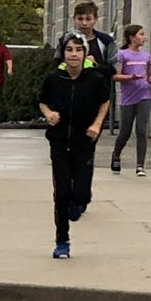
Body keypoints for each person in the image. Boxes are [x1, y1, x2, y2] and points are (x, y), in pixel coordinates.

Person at [38, 32, 112, 259]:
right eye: (69, 50)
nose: (74, 54)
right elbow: (42, 101)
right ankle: (62, 241)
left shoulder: (94, 79)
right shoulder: (53, 79)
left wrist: (97, 125)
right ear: (63, 53)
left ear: (85, 54)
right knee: (61, 193)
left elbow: (105, 101)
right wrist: (49, 114)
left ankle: (79, 203)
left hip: (84, 142)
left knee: (80, 194)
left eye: (78, 50)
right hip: (59, 141)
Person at [109, 24, 151, 176]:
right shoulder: (122, 54)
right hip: (128, 98)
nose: (144, 37)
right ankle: (116, 154)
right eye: (141, 34)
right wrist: (131, 77)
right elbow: (116, 76)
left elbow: (148, 76)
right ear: (132, 37)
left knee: (141, 130)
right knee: (125, 132)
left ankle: (140, 165)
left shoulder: (146, 56)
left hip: (144, 96)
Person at [55, 0, 118, 69]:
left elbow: (114, 69)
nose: (84, 23)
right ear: (74, 19)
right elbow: (56, 64)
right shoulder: (65, 40)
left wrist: (96, 65)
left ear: (95, 19)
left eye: (88, 19)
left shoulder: (106, 41)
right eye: (80, 19)